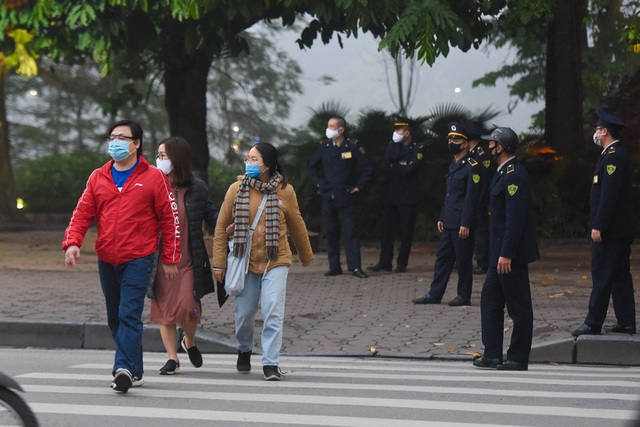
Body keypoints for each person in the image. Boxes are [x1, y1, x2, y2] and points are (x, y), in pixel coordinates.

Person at [62, 119, 180, 393]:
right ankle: (135, 369)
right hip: (107, 257)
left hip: (139, 257)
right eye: (112, 137)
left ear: (136, 143)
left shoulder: (154, 177)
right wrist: (72, 243)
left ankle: (122, 369)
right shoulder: (98, 177)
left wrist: (171, 257)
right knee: (115, 317)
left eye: (122, 138)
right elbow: (82, 213)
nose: (115, 142)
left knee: (129, 314)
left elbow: (170, 220)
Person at [213, 142, 313, 381]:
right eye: (248, 159)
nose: (248, 163)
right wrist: (218, 263)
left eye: (253, 159)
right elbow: (220, 226)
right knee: (244, 315)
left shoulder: (285, 191)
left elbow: (297, 224)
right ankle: (244, 348)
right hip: (244, 261)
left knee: (272, 311)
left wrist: (306, 256)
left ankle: (270, 363)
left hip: (276, 260)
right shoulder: (236, 189)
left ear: (266, 164)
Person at [149, 136, 218, 375]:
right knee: (165, 312)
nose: (159, 160)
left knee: (189, 307)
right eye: (157, 155)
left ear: (178, 158)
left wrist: (227, 230)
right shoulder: (151, 183)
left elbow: (210, 214)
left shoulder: (197, 187)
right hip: (160, 261)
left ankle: (189, 341)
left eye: (164, 155)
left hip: (189, 260)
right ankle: (172, 358)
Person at [472, 127, 539, 371]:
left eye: (491, 144)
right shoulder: (501, 172)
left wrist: (507, 253)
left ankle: (518, 357)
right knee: (490, 301)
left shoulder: (514, 175)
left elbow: (515, 219)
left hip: (510, 255)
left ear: (500, 147)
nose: (488, 147)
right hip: (497, 253)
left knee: (519, 307)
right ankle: (492, 353)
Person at [572, 108, 637, 337]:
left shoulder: (613, 157)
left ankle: (593, 322)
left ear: (605, 131)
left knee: (602, 275)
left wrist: (599, 226)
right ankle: (627, 322)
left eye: (598, 129)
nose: (596, 133)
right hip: (619, 229)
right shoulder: (614, 155)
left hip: (611, 230)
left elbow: (609, 196)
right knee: (620, 275)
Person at [413, 122, 482, 306]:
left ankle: (463, 295)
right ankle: (435, 294)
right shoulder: (454, 165)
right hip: (450, 220)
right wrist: (442, 217)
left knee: (463, 261)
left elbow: (471, 198)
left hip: (462, 223)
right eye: (450, 139)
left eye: (456, 139)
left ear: (466, 143)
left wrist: (466, 223)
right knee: (442, 259)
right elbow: (449, 195)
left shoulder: (472, 166)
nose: (452, 142)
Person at [308, 116, 373, 279]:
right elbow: (312, 167)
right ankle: (334, 266)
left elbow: (368, 167)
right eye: (328, 125)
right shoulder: (324, 147)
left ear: (341, 130)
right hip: (328, 195)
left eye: (332, 126)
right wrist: (320, 185)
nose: (328, 129)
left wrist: (359, 186)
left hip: (346, 194)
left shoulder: (351, 145)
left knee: (350, 231)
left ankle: (355, 267)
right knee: (331, 231)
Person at [368, 116, 424, 273]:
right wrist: (400, 167)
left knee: (406, 231)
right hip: (391, 196)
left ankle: (402, 263)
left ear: (407, 133)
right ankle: (384, 262)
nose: (395, 133)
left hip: (408, 197)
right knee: (387, 231)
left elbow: (410, 170)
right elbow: (386, 167)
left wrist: (396, 167)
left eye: (398, 130)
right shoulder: (392, 147)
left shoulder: (417, 148)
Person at [460, 119, 494, 276]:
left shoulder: (481, 154)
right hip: (470, 199)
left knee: (480, 231)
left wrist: (481, 202)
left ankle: (483, 262)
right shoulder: (470, 154)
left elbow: (485, 180)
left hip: (480, 200)